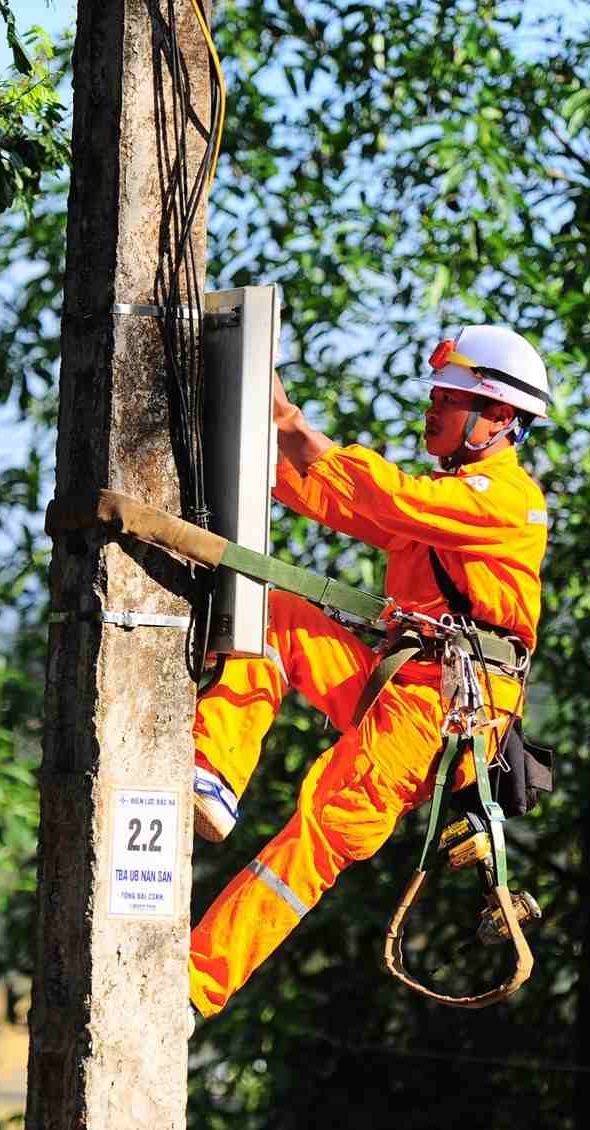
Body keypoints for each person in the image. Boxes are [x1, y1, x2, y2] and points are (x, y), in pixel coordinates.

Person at [188, 324, 552, 1020]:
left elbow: (388, 499)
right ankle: (215, 769)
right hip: (401, 686)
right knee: (269, 610)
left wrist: (290, 421)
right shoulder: (453, 503)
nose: (434, 407)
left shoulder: (506, 501)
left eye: (452, 397)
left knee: (324, 826)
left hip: (441, 714)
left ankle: (196, 982)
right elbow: (349, 502)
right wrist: (251, 449)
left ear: (500, 417)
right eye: (438, 393)